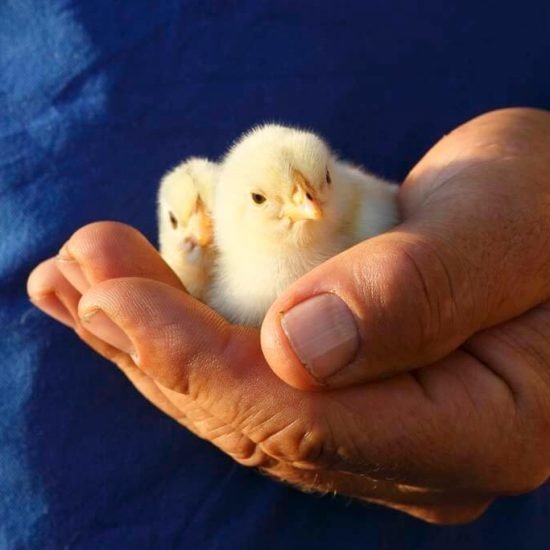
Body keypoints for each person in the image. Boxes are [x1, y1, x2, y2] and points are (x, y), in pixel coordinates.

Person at [4, 1, 549, 547]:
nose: (310, 206)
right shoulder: (225, 258)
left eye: (319, 190)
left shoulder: (370, 215)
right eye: (268, 199)